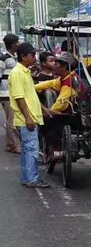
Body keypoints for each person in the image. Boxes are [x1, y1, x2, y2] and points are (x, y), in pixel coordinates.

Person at [9, 42, 53, 188]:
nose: (35, 57)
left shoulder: (26, 72)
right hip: (27, 119)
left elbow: (31, 95)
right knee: (31, 150)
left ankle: (27, 178)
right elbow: (19, 98)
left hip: (31, 116)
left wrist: (44, 109)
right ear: (23, 56)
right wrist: (28, 118)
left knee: (27, 150)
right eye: (32, 55)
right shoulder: (17, 73)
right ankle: (32, 179)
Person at [35, 52, 79, 161]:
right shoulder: (63, 79)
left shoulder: (69, 82)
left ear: (64, 67)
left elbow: (60, 104)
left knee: (47, 121)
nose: (54, 66)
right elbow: (50, 83)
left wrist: (48, 112)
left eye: (56, 64)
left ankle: (53, 151)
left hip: (75, 116)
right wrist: (32, 88)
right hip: (70, 112)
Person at [1, 33, 21, 153]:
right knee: (12, 120)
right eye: (17, 42)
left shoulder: (14, 58)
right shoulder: (4, 59)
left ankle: (10, 144)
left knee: (12, 119)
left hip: (12, 92)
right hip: (6, 94)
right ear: (13, 44)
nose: (19, 44)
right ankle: (14, 145)